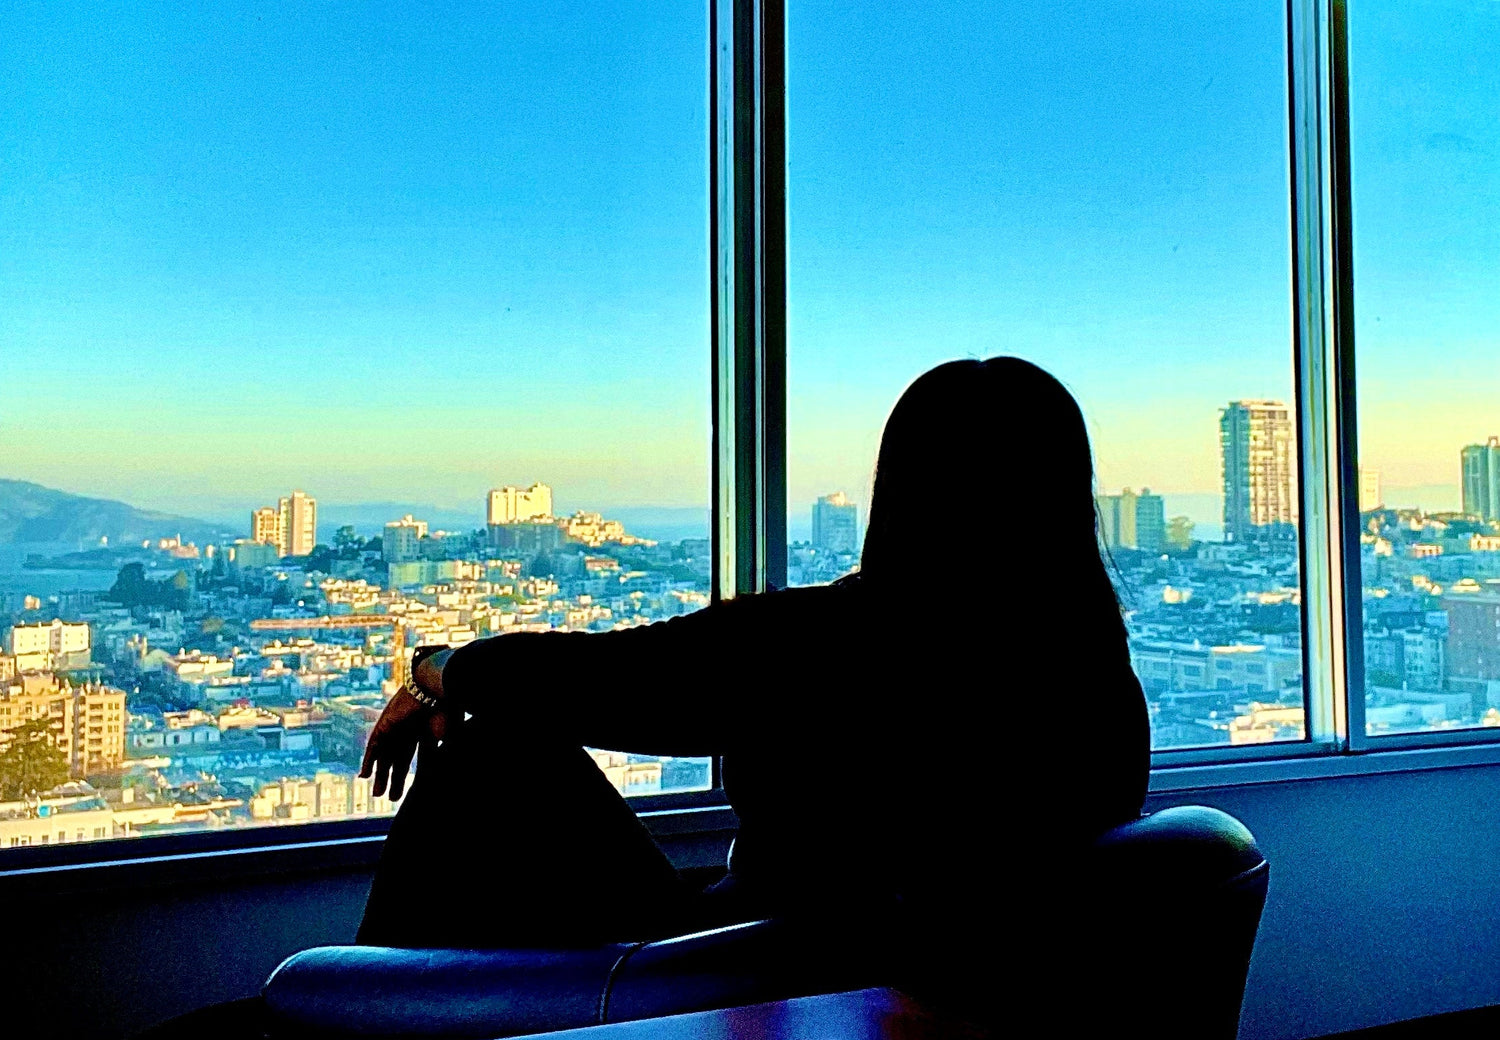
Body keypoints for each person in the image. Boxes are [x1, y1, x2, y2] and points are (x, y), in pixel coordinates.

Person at [356, 357, 1149, 1017]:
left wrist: (433, 670)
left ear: (901, 493)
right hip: (914, 988)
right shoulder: (1098, 682)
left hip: (755, 973)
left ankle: (359, 1006)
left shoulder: (828, 643)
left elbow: (591, 679)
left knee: (493, 751)